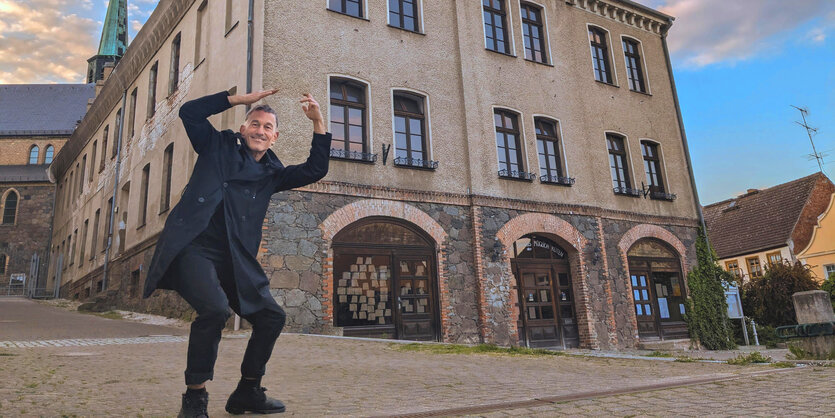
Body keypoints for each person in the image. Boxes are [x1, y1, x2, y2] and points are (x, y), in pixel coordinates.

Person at [142, 89, 331, 417]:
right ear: (243, 129)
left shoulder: (273, 174)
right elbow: (190, 112)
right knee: (215, 311)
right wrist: (236, 100)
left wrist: (318, 122)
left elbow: (315, 169)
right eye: (254, 124)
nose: (260, 130)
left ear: (274, 137)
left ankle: (248, 390)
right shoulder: (216, 146)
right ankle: (195, 397)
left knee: (272, 317)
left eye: (267, 127)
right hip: (194, 247)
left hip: (234, 256)